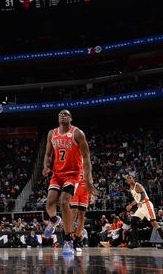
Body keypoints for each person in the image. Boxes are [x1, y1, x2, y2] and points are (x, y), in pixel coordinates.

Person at [42, 109, 96, 255]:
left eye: (66, 114)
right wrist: (45, 166)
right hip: (57, 174)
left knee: (65, 202)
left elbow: (86, 157)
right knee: (49, 204)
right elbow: (47, 154)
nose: (62, 115)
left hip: (73, 174)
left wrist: (88, 179)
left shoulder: (78, 133)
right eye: (60, 114)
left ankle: (67, 240)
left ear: (71, 118)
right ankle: (54, 220)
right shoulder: (51, 133)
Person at [124, 174, 163, 249]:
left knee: (154, 223)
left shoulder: (137, 185)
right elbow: (136, 199)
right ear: (126, 181)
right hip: (141, 207)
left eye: (130, 178)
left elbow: (143, 194)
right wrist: (131, 205)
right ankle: (136, 242)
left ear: (133, 179)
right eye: (128, 179)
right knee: (133, 221)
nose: (129, 179)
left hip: (146, 204)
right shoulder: (131, 189)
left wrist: (141, 201)